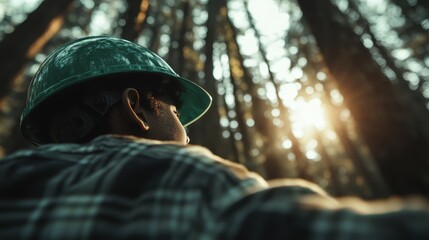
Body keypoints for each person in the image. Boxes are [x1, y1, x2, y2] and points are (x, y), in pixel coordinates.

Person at [0, 36, 428, 239]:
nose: (186, 135)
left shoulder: (10, 179)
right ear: (135, 109)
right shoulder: (173, 176)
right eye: (172, 111)